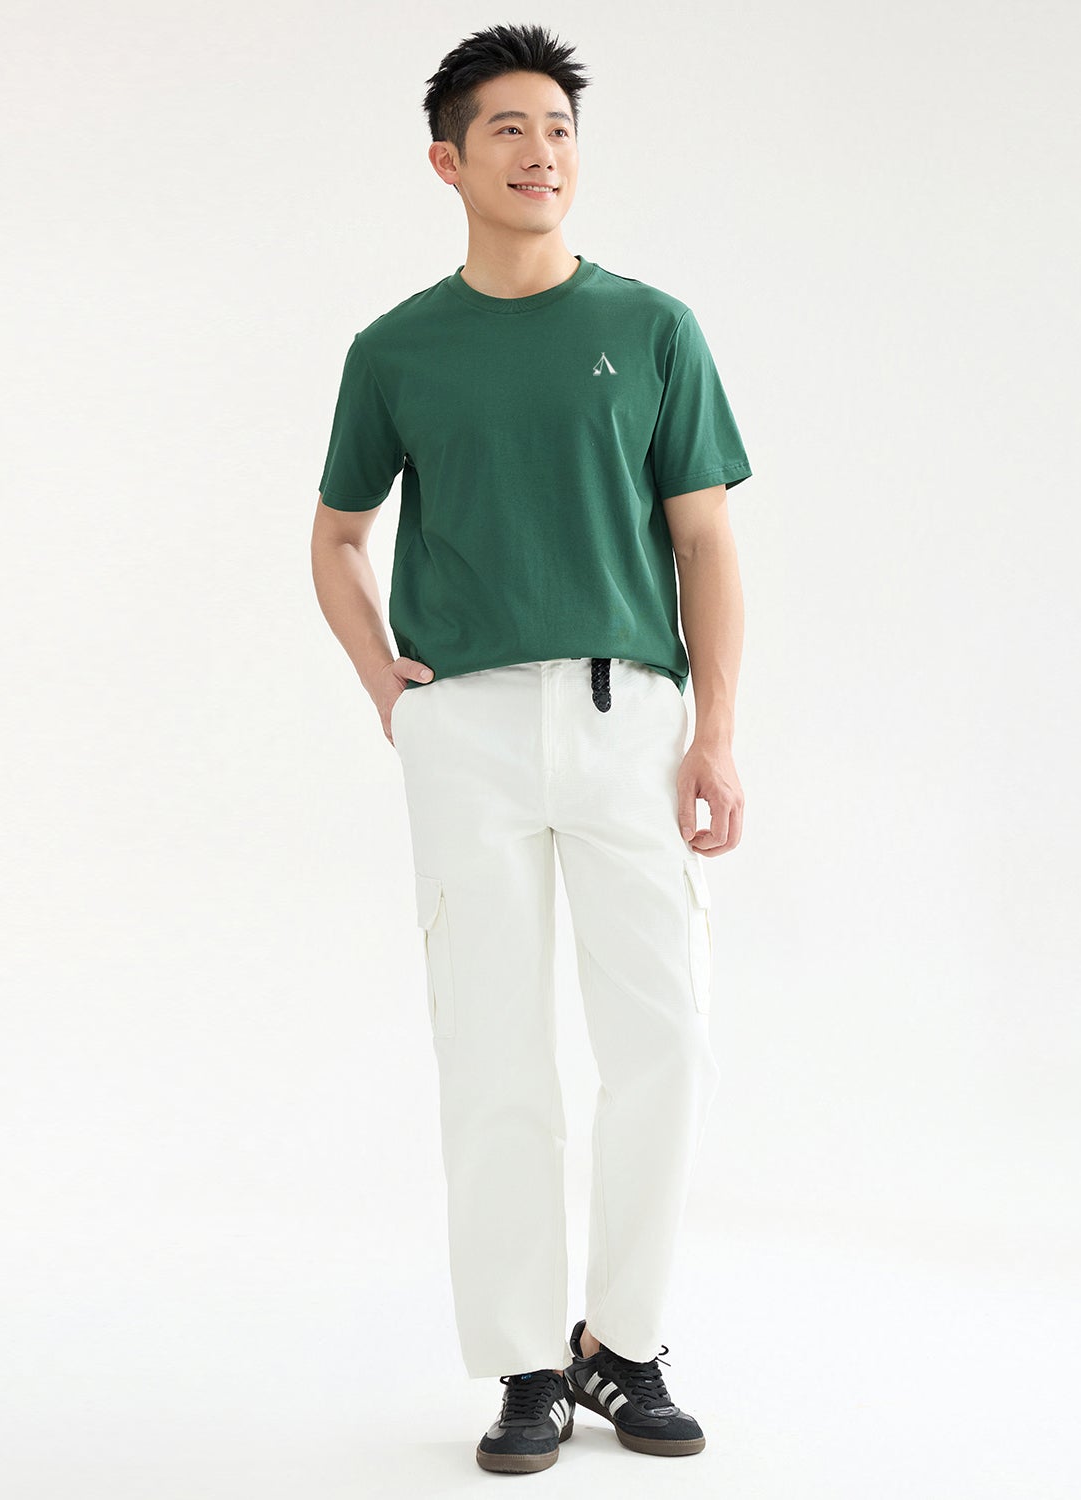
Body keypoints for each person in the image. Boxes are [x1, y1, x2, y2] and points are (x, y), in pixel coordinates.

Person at [310, 22, 751, 1475]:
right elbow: (336, 538)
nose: (540, 152)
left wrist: (717, 734)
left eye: (558, 128)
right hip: (471, 730)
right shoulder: (396, 349)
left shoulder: (654, 327)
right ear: (447, 160)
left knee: (664, 1043)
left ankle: (624, 1344)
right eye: (507, 129)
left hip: (636, 722)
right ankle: (522, 1363)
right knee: (494, 1053)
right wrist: (391, 688)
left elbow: (705, 541)